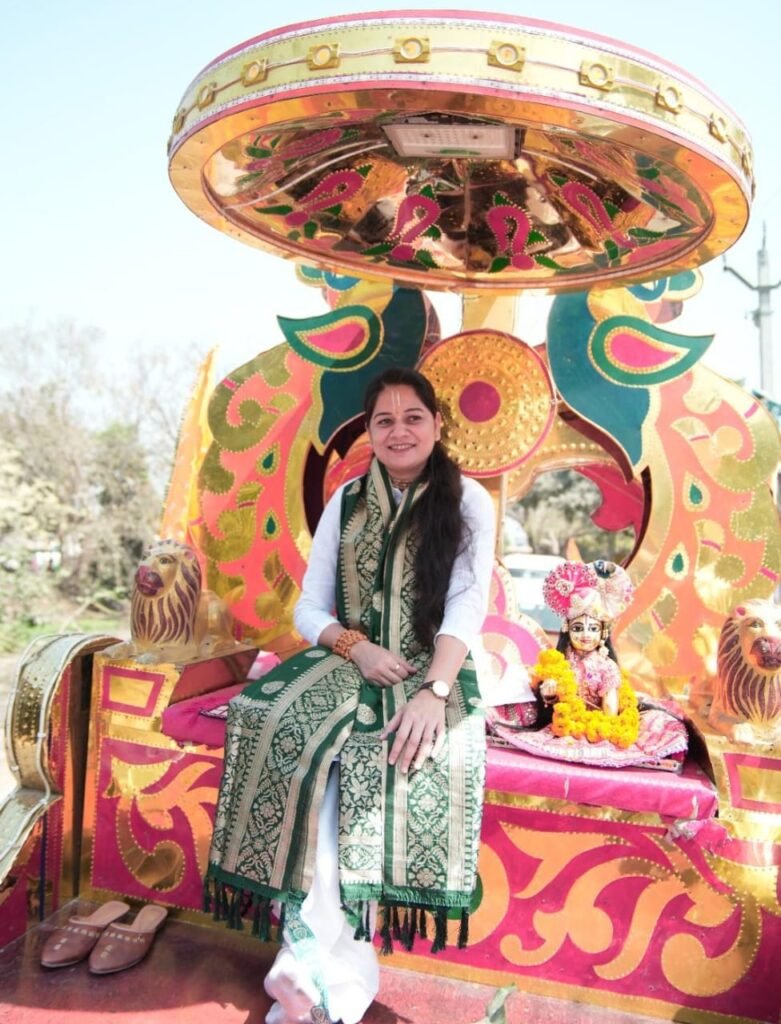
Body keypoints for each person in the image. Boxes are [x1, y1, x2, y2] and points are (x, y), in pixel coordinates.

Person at [206, 366, 496, 1024]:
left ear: (437, 424)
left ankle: (306, 967)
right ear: (369, 431)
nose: (399, 431)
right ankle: (318, 978)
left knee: (381, 758)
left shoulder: (468, 500)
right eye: (383, 421)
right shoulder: (347, 500)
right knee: (270, 721)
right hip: (354, 657)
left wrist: (433, 692)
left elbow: (466, 605)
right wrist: (357, 648)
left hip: (435, 663)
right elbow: (309, 611)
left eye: (412, 417)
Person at [489, 559, 688, 769]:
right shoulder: (560, 662)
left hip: (597, 724)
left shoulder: (606, 667)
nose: (585, 635)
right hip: (561, 721)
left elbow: (610, 707)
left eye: (593, 629)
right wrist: (548, 693)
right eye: (578, 628)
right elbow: (550, 698)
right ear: (567, 630)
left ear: (602, 634)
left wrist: (602, 724)